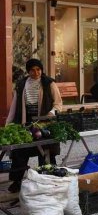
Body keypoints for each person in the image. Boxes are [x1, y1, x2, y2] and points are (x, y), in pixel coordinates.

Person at [5, 59, 63, 193]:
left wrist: (51, 113)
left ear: (42, 70)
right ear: (28, 71)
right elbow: (14, 106)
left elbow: (58, 103)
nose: (35, 72)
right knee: (19, 150)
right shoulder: (21, 84)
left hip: (44, 123)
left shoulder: (49, 83)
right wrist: (8, 123)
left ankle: (46, 179)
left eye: (38, 69)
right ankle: (17, 181)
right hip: (26, 123)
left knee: (45, 149)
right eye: (32, 70)